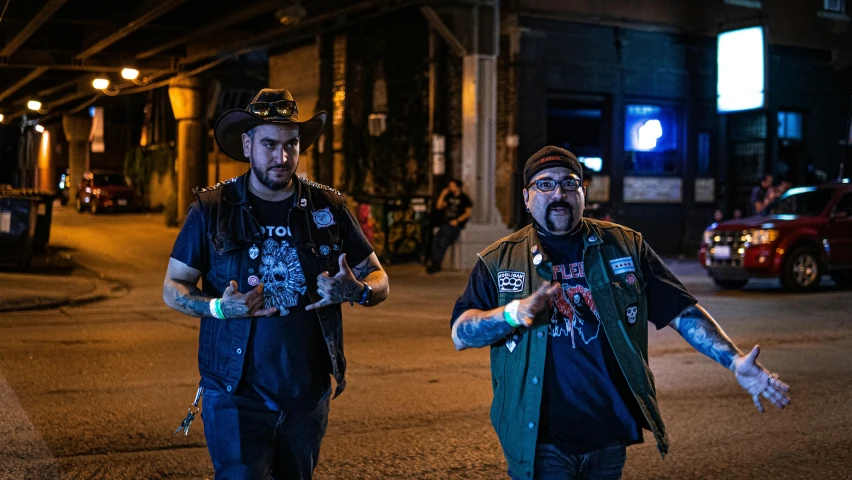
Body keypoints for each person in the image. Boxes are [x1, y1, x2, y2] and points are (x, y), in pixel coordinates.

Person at [450, 146, 790, 480]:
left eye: (569, 183)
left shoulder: (626, 245)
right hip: (540, 439)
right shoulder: (498, 261)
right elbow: (461, 333)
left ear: (583, 192)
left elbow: (681, 311)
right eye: (545, 184)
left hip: (608, 436)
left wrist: (734, 361)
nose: (558, 193)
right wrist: (513, 313)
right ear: (526, 197)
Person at [162, 89, 389, 480]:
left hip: (306, 393)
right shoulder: (212, 210)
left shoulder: (328, 208)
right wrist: (219, 307)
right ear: (247, 144)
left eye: (291, 145)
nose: (281, 158)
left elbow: (379, 277)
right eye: (269, 144)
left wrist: (358, 290)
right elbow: (173, 287)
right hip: (235, 393)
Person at [427, 178, 472, 273]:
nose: (451, 188)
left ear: (457, 186)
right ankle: (434, 262)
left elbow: (468, 213)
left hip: (455, 225)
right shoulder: (449, 197)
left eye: (453, 186)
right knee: (436, 240)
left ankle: (436, 264)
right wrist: (443, 194)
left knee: (443, 242)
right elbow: (439, 206)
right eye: (449, 186)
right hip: (446, 224)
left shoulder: (464, 198)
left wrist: (457, 220)